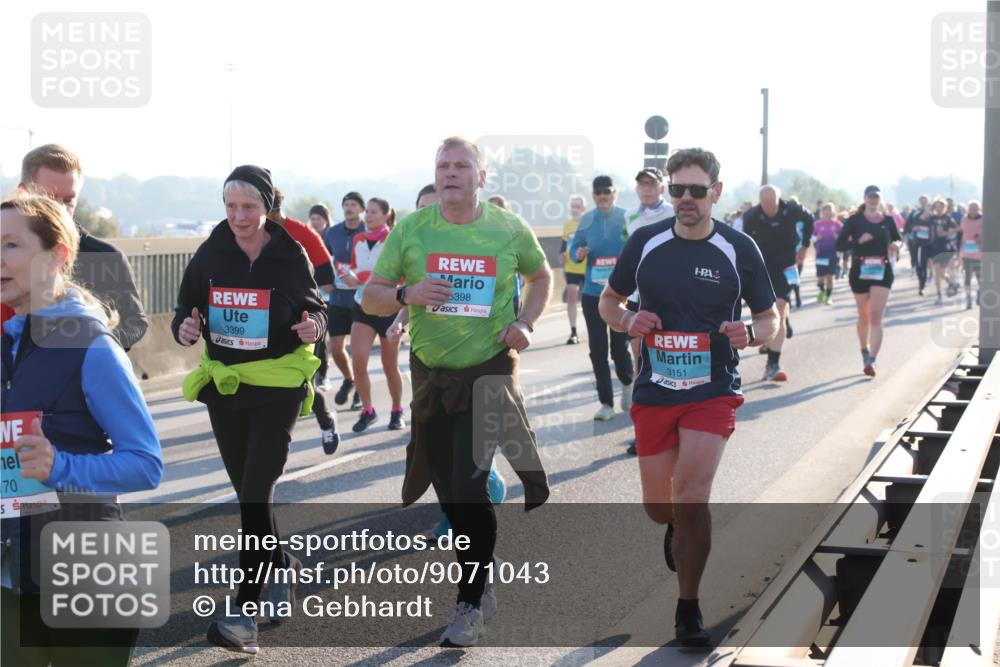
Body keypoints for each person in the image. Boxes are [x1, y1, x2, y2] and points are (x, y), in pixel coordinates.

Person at [363, 136, 552, 647]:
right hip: (431, 375)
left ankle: (468, 603)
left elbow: (541, 276)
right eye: (443, 166)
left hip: (489, 372)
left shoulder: (507, 228)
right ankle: (481, 575)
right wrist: (409, 294)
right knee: (449, 492)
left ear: (481, 177)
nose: (451, 173)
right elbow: (371, 295)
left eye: (462, 166)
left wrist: (527, 323)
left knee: (470, 486)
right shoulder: (412, 229)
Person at [598, 148, 778, 647]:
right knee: (661, 507)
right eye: (678, 190)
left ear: (716, 193)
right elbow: (609, 303)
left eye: (697, 191)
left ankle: (688, 608)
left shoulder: (739, 248)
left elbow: (769, 317)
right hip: (655, 388)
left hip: (713, 389)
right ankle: (674, 524)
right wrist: (629, 320)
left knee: (693, 494)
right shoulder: (644, 242)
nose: (685, 200)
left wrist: (754, 333)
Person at [1, 192, 162, 666]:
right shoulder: (7, 344)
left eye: (11, 246)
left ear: (57, 257)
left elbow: (146, 464)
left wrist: (59, 466)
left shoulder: (92, 346)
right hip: (11, 578)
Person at [172, 165, 327, 655]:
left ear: (267, 207)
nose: (239, 216)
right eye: (231, 207)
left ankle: (243, 613)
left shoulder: (289, 252)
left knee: (256, 493)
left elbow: (318, 309)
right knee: (249, 495)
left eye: (249, 208)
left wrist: (314, 329)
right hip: (228, 388)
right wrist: (186, 329)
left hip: (277, 388)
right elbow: (184, 310)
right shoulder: (210, 252)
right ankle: (281, 563)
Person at [385, 184, 508, 538]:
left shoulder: (477, 242)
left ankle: (474, 498)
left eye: (433, 207)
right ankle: (451, 511)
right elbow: (415, 296)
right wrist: (398, 320)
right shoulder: (417, 246)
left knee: (467, 437)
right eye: (421, 208)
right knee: (435, 438)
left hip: (477, 356)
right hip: (428, 357)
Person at [18, 144, 148, 350]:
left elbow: (136, 323)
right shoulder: (7, 256)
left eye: (69, 200)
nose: (60, 209)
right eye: (49, 198)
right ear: (23, 192)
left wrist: (92, 347)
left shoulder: (106, 256)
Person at [267, 190, 341, 453]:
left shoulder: (302, 233)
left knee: (300, 382)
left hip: (300, 319)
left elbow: (327, 273)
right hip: (262, 322)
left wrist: (292, 284)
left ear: (272, 208)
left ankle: (325, 420)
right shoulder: (246, 234)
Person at [568, 175, 633, 420]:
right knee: (597, 350)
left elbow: (637, 245)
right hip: (593, 293)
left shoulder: (626, 217)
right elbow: (574, 251)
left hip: (619, 294)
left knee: (618, 350)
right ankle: (606, 403)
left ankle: (628, 381)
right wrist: (579, 253)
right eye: (598, 193)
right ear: (594, 196)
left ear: (614, 193)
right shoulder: (586, 219)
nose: (602, 197)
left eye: (607, 192)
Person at [339, 198, 405, 432]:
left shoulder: (395, 239)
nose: (368, 216)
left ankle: (397, 410)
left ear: (386, 215)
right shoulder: (358, 239)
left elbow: (401, 276)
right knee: (358, 360)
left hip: (388, 307)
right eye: (367, 212)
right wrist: (349, 277)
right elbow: (358, 271)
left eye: (374, 212)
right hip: (362, 305)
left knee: (389, 366)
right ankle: (368, 410)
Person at [621, 168, 674, 454]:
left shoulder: (674, 214)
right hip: (638, 296)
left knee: (666, 362)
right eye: (642, 185)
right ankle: (643, 432)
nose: (647, 189)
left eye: (652, 185)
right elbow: (626, 255)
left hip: (669, 296)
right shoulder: (629, 216)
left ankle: (673, 425)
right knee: (640, 363)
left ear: (662, 188)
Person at [742, 185, 813, 381]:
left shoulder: (792, 209)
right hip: (763, 267)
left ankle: (773, 364)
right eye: (764, 205)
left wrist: (805, 245)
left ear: (778, 200)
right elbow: (745, 243)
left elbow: (809, 220)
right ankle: (782, 322)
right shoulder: (752, 216)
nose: (769, 209)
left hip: (786, 266)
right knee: (763, 311)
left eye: (772, 204)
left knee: (779, 306)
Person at [836, 186, 901, 377]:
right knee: (863, 316)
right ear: (865, 198)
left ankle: (872, 360)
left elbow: (899, 239)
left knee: (875, 316)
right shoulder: (855, 220)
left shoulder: (888, 220)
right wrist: (858, 242)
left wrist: (896, 245)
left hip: (882, 269)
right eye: (870, 197)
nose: (873, 200)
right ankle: (864, 349)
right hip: (859, 270)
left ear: (880, 199)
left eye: (876, 197)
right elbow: (839, 244)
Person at [321, 192, 367, 410]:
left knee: (359, 351)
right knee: (337, 348)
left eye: (353, 204)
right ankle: (350, 379)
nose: (349, 208)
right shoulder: (332, 233)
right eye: (346, 204)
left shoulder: (368, 231)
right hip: (338, 298)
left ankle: (360, 391)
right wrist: (324, 281)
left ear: (361, 209)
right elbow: (321, 259)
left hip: (362, 299)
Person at [308, 203, 334, 388]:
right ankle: (316, 375)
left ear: (326, 220)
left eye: (319, 218)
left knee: (323, 337)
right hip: (312, 295)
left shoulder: (331, 239)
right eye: (313, 218)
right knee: (318, 337)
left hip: (331, 296)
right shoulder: (307, 238)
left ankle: (323, 375)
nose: (315, 222)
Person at [560, 194, 587, 345]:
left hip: (588, 267)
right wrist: (561, 254)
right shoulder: (567, 224)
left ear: (583, 208)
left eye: (578, 206)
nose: (575, 209)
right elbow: (564, 244)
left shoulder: (588, 223)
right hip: (571, 267)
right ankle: (574, 331)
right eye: (572, 206)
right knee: (571, 296)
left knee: (590, 301)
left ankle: (596, 327)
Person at [929, 197, 958, 305]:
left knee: (941, 272)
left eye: (941, 206)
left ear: (945, 207)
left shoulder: (949, 218)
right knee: (937, 272)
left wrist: (946, 233)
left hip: (945, 247)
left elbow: (956, 230)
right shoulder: (932, 218)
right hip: (935, 247)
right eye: (937, 207)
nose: (939, 208)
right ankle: (939, 295)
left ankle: (951, 282)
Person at [812, 203, 843, 305]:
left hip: (833, 254)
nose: (827, 212)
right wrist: (816, 238)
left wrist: (838, 238)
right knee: (820, 278)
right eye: (825, 210)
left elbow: (844, 239)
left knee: (830, 277)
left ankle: (827, 297)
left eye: (829, 210)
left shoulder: (838, 225)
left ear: (833, 212)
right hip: (821, 255)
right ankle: (822, 292)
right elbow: (810, 238)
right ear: (822, 212)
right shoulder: (817, 224)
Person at [905, 195, 934, 294]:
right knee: (918, 265)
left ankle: (922, 286)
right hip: (916, 243)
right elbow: (907, 226)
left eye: (925, 201)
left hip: (928, 243)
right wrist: (913, 228)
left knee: (924, 263)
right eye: (921, 201)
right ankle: (920, 281)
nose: (923, 203)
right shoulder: (914, 213)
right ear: (919, 202)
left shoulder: (932, 214)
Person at [959, 200, 983, 309]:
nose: (973, 211)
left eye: (975, 209)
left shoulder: (983, 220)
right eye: (971, 209)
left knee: (981, 278)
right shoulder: (964, 220)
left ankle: (979, 293)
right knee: (967, 278)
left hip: (979, 254)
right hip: (967, 253)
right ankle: (968, 300)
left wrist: (981, 238)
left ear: (979, 209)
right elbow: (963, 236)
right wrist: (960, 255)